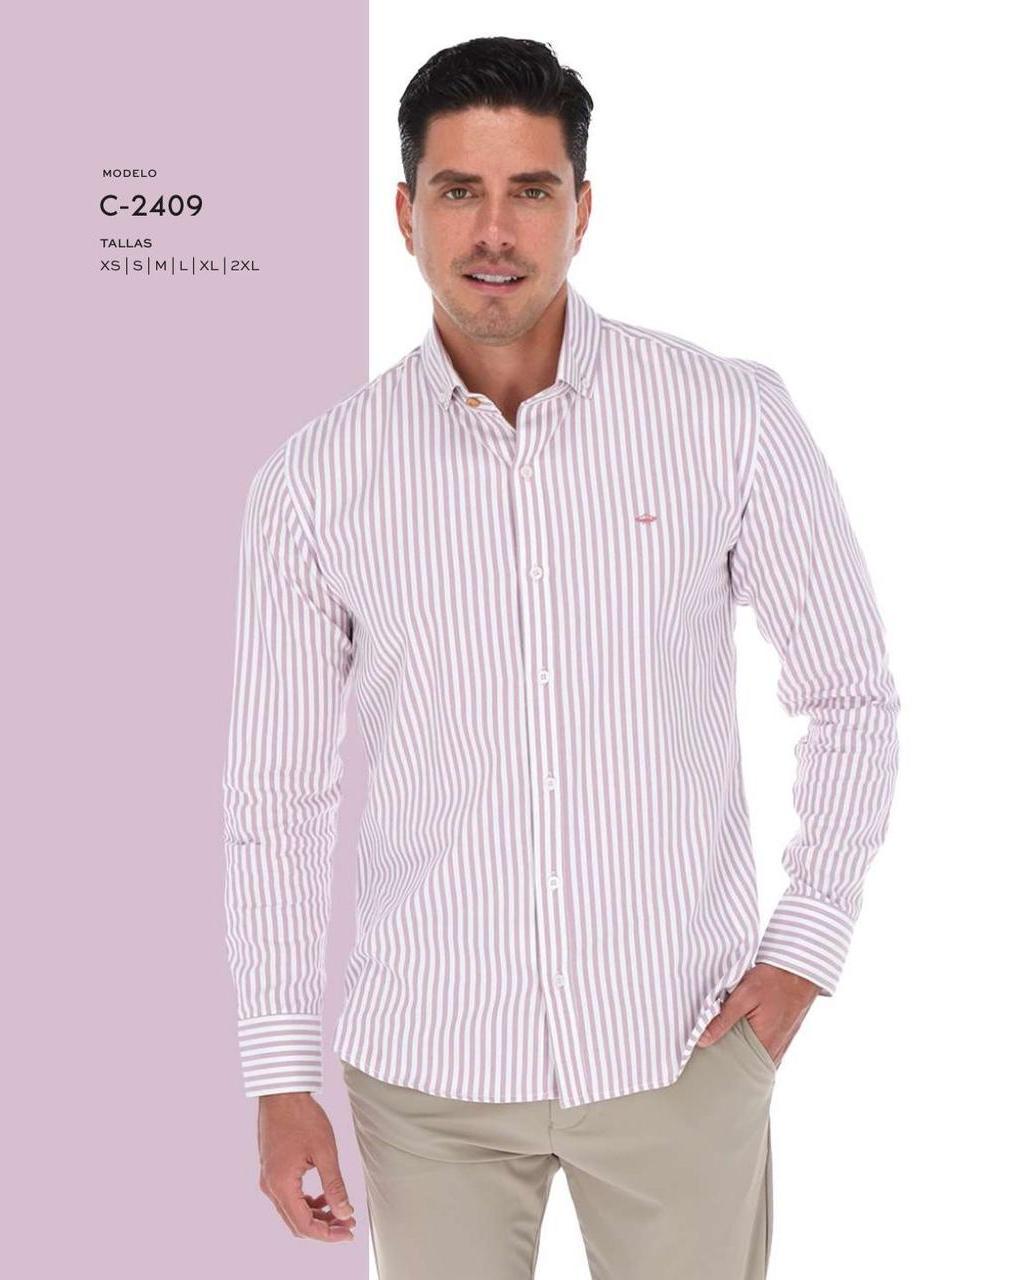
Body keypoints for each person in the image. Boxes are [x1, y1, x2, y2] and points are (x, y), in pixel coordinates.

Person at [222, 35, 900, 1279]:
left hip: (679, 1047)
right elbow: (276, 796)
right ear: (404, 214)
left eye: (529, 189)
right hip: (426, 1075)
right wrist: (279, 1072)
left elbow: (849, 694)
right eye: (458, 191)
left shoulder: (726, 418)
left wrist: (805, 946)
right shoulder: (314, 484)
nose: (494, 230)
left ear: (582, 209)